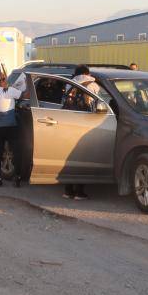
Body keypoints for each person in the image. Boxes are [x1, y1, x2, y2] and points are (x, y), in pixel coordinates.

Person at [62, 65, 100, 200]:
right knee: (83, 157)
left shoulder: (69, 84)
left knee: (69, 158)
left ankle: (68, 190)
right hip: (84, 123)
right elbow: (98, 103)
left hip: (68, 122)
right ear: (87, 73)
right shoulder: (93, 84)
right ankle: (79, 192)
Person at [0, 73, 24, 188]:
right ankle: (17, 177)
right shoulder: (8, 90)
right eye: (5, 79)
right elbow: (23, 95)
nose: (6, 80)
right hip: (10, 126)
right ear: (1, 81)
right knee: (16, 151)